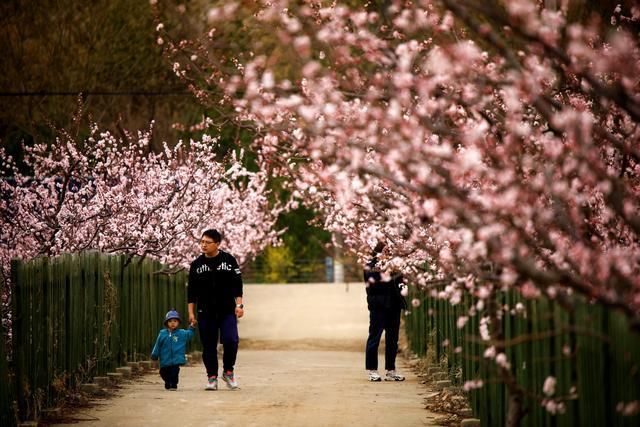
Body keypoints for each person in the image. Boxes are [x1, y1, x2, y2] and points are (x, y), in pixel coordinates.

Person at [188, 229, 244, 391]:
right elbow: (191, 292)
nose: (203, 245)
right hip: (205, 312)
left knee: (231, 340)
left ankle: (228, 371)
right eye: (202, 242)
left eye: (207, 242)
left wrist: (239, 305)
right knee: (209, 345)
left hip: (227, 310)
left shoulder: (229, 260)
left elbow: (237, 285)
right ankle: (211, 377)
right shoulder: (196, 265)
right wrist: (191, 313)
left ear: (217, 244)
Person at [364, 242, 407, 382]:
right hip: (378, 307)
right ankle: (372, 370)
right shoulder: (370, 266)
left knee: (392, 339)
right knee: (374, 338)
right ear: (377, 252)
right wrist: (387, 271)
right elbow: (373, 285)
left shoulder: (395, 265)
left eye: (389, 251)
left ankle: (391, 370)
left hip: (394, 306)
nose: (388, 253)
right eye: (385, 251)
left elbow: (401, 282)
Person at [150, 309, 195, 390]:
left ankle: (174, 384)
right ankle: (167, 382)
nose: (173, 323)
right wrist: (154, 354)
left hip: (176, 359)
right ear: (166, 323)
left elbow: (189, 334)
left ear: (178, 322)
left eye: (175, 321)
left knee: (174, 372)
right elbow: (157, 344)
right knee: (163, 372)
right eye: (170, 321)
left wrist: (192, 327)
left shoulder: (181, 333)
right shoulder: (162, 333)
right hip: (164, 360)